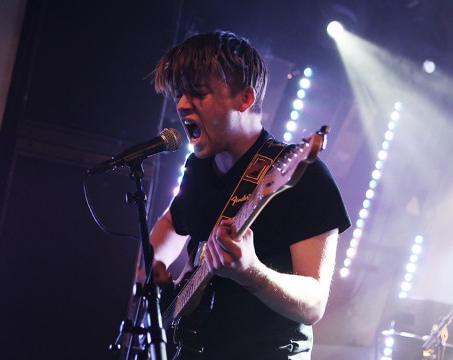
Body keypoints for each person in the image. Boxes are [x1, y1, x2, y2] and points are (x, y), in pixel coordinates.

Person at [148, 30, 351, 360]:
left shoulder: (304, 175)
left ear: (244, 98)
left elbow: (314, 303)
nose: (183, 105)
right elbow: (172, 220)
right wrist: (150, 276)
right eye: (180, 94)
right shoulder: (199, 169)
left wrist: (250, 271)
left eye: (198, 92)